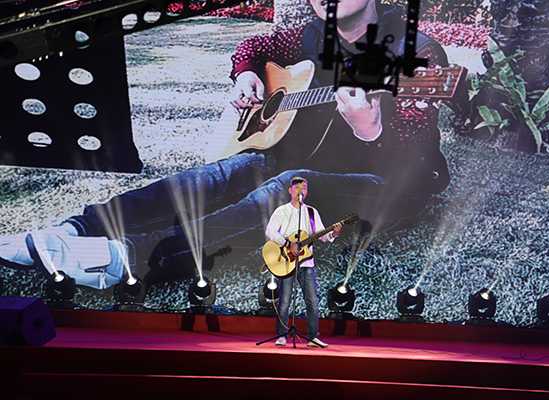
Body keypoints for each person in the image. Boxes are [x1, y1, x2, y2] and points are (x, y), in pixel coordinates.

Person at [0, 0, 452, 292]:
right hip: (301, 157)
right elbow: (254, 45)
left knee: (285, 190)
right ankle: (77, 230)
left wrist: (370, 130)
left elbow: (412, 159)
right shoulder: (311, 35)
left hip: (386, 187)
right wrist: (246, 74)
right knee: (216, 175)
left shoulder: (417, 53)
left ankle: (126, 258)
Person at [266, 176, 342, 348]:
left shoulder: (312, 212)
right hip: (287, 262)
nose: (301, 191)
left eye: (304, 188)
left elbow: (322, 235)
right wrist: (288, 243)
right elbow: (270, 231)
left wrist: (333, 234)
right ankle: (282, 335)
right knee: (284, 302)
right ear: (290, 190)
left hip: (307, 264)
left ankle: (313, 337)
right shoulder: (282, 211)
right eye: (298, 188)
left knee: (312, 301)